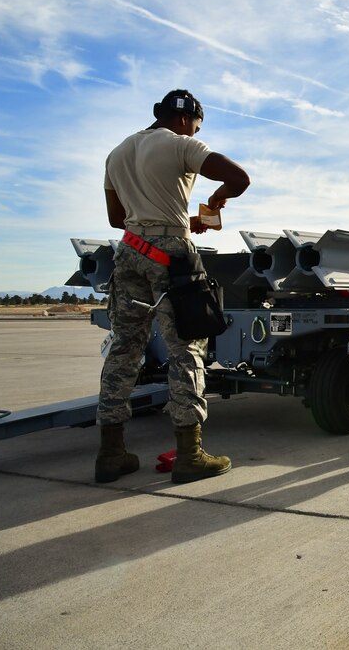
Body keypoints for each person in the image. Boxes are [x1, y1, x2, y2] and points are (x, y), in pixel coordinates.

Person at [96, 89, 250, 484]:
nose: (197, 130)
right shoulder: (182, 144)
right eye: (198, 124)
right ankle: (189, 454)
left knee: (124, 349)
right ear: (186, 119)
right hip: (171, 256)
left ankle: (111, 454)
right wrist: (216, 199)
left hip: (129, 251)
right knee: (186, 350)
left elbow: (117, 218)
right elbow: (239, 178)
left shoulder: (117, 153)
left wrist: (157, 215)